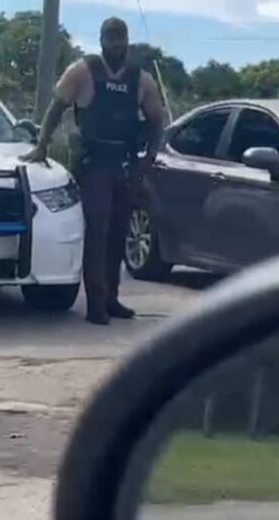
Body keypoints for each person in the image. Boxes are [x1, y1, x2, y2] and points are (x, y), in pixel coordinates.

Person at [21, 17, 166, 326]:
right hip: (94, 163)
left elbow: (157, 120)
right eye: (112, 39)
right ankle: (97, 304)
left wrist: (149, 158)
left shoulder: (141, 80)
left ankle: (112, 298)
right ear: (101, 40)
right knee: (97, 231)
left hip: (125, 163)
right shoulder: (83, 71)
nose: (117, 44)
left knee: (118, 231)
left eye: (121, 38)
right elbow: (56, 108)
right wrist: (42, 145)